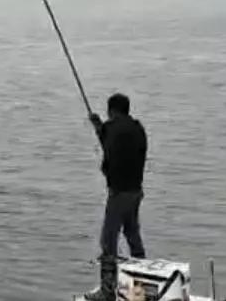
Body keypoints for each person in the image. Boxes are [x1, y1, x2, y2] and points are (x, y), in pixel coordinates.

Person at [82, 92, 148, 301]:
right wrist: (99, 128)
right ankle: (141, 286)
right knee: (133, 236)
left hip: (118, 193)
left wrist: (100, 128)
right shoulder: (138, 128)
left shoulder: (111, 128)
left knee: (108, 241)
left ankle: (107, 291)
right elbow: (116, 143)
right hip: (136, 192)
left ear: (111, 111)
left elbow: (108, 152)